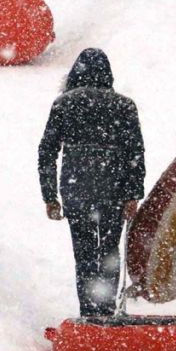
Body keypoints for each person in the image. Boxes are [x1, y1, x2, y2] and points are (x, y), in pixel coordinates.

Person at [39, 48, 146, 318]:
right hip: (114, 190)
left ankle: (89, 314)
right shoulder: (124, 106)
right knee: (109, 251)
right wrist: (133, 194)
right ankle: (107, 311)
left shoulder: (64, 104)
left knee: (85, 255)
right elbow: (135, 153)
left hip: (77, 191)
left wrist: (50, 196)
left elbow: (47, 152)